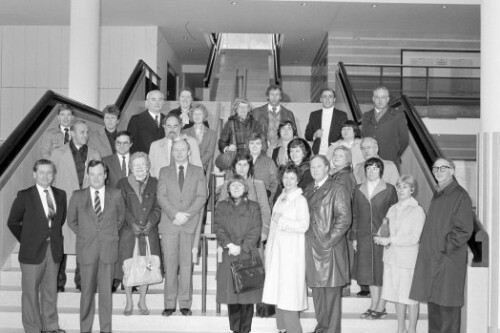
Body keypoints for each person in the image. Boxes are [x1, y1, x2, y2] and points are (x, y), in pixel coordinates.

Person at [410, 158, 473, 333]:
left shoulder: (459, 195)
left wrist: (442, 248)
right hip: (433, 261)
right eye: (435, 168)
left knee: (448, 310)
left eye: (443, 168)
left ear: (452, 171)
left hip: (448, 262)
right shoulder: (439, 193)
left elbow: (464, 230)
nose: (438, 171)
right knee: (435, 309)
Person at [7, 159, 67, 333]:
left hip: (54, 250)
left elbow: (59, 221)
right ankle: (33, 328)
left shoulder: (60, 194)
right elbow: (13, 222)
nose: (46, 176)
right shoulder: (25, 195)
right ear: (34, 174)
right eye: (41, 172)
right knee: (30, 294)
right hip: (31, 252)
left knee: (50, 291)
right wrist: (27, 240)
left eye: (49, 172)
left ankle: (50, 326)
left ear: (53, 174)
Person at [67, 160, 125, 333]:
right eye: (92, 174)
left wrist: (107, 235)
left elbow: (120, 220)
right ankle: (85, 329)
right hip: (87, 250)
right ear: (88, 175)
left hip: (108, 249)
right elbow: (72, 221)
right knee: (86, 293)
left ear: (105, 175)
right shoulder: (78, 196)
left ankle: (105, 330)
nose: (96, 178)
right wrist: (87, 233)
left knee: (106, 294)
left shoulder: (116, 194)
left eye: (100, 174)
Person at [157, 138, 208, 316]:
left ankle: (185, 303)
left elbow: (202, 196)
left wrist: (186, 214)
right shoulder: (164, 171)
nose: (179, 153)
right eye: (176, 150)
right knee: (170, 265)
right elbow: (161, 196)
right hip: (170, 224)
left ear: (189, 152)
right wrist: (174, 214)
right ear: (172, 152)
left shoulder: (198, 171)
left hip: (189, 224)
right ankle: (169, 304)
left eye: (183, 150)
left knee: (186, 266)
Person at [50, 120, 101, 292]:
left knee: (84, 242)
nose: (85, 135)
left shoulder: (95, 154)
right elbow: (51, 180)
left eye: (87, 132)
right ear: (71, 133)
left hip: (87, 204)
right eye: (81, 132)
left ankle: (81, 281)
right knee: (61, 243)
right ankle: (58, 282)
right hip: (64, 204)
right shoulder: (58, 153)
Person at [304, 155, 351, 333]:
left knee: (331, 298)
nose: (315, 170)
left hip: (329, 250)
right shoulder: (308, 189)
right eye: (312, 167)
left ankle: (331, 330)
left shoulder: (337, 188)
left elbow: (344, 219)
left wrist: (327, 241)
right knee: (318, 296)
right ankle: (321, 328)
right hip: (311, 250)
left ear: (327, 168)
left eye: (318, 167)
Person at [374, 175, 425, 333]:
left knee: (410, 297)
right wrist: (380, 236)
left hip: (407, 259)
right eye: (399, 186)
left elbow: (413, 238)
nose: (401, 190)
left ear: (412, 190)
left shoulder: (417, 210)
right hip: (391, 258)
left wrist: (390, 239)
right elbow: (386, 228)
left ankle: (411, 330)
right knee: (397, 295)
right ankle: (400, 328)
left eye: (405, 186)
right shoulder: (392, 208)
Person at [262, 164, 309, 333]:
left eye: (292, 178)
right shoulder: (282, 196)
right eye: (286, 178)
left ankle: (294, 330)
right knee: (278, 293)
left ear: (298, 180)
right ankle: (281, 329)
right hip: (277, 252)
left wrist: (282, 221)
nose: (288, 181)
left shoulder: (300, 200)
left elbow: (303, 225)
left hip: (291, 254)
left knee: (288, 295)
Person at [214, 175, 263, 333]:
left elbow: (256, 229)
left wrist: (241, 247)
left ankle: (245, 330)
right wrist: (229, 244)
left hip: (247, 254)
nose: (236, 188)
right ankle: (235, 330)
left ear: (245, 189)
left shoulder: (254, 206)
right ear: (228, 188)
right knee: (232, 298)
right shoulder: (221, 205)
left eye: (239, 186)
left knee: (246, 299)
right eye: (233, 185)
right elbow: (218, 227)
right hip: (229, 254)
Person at [352, 157, 398, 320]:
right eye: (369, 168)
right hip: (364, 236)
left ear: (381, 170)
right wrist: (355, 237)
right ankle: (373, 304)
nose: (371, 171)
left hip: (382, 237)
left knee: (381, 272)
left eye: (375, 168)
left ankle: (381, 306)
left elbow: (394, 214)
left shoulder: (389, 189)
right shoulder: (358, 189)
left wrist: (388, 235)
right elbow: (355, 215)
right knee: (369, 273)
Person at [116, 152, 161, 316]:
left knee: (146, 267)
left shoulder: (156, 183)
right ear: (130, 167)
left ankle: (142, 300)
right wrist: (131, 223)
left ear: (148, 166)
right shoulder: (122, 183)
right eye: (136, 165)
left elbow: (158, 207)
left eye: (143, 164)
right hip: (129, 232)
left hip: (149, 232)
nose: (140, 168)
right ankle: (128, 300)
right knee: (128, 267)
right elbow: (120, 207)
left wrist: (151, 222)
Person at [218, 152, 271, 243]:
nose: (242, 168)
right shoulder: (227, 184)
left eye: (245, 165)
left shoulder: (258, 184)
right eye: (239, 164)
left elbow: (265, 210)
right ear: (234, 167)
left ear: (250, 167)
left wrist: (264, 231)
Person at [330, 145, 357, 297]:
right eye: (334, 155)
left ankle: (344, 286)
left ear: (347, 160)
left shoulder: (345, 176)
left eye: (340, 155)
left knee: (343, 254)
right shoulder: (336, 174)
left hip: (341, 222)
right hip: (336, 221)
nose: (335, 157)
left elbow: (345, 201)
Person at [361, 86, 409, 168]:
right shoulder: (366, 116)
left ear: (387, 99)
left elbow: (404, 140)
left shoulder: (398, 115)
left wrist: (395, 155)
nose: (380, 100)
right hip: (370, 162)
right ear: (373, 99)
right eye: (377, 97)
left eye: (383, 97)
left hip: (390, 161)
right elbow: (364, 137)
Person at [149, 113, 202, 178]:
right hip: (161, 184)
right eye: (169, 126)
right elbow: (151, 170)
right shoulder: (155, 146)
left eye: (175, 126)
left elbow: (198, 167)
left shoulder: (191, 142)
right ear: (164, 127)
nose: (172, 129)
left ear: (180, 126)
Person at [305, 88, 348, 155]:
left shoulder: (342, 115)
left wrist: (335, 146)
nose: (327, 99)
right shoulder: (314, 115)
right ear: (321, 99)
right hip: (317, 154)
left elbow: (345, 135)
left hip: (335, 153)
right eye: (324, 96)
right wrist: (314, 135)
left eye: (330, 96)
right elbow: (307, 135)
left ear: (334, 99)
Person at [251, 85, 296, 149]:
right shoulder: (256, 112)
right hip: (261, 149)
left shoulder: (288, 114)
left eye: (277, 95)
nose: (274, 97)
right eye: (272, 94)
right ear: (267, 96)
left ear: (280, 97)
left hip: (281, 149)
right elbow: (251, 133)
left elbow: (294, 134)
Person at [273, 138, 314, 203]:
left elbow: (305, 195)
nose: (294, 154)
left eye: (297, 151)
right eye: (291, 151)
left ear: (304, 153)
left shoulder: (309, 172)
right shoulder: (286, 169)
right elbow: (279, 191)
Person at [127, 90, 166, 154]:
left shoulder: (168, 120)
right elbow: (130, 144)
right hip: (143, 161)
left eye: (160, 99)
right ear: (147, 103)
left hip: (163, 161)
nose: (157, 102)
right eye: (153, 99)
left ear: (163, 102)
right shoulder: (136, 120)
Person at [182, 102, 217, 171]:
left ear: (204, 116)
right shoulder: (184, 132)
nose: (197, 116)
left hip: (203, 167)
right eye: (195, 114)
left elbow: (209, 152)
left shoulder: (212, 134)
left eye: (200, 114)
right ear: (191, 115)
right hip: (187, 166)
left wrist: (199, 164)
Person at [248, 133, 279, 204]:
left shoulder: (269, 162)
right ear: (248, 145)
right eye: (252, 143)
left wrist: (268, 198)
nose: (254, 146)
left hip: (263, 202)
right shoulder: (242, 161)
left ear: (262, 145)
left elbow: (275, 183)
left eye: (258, 143)